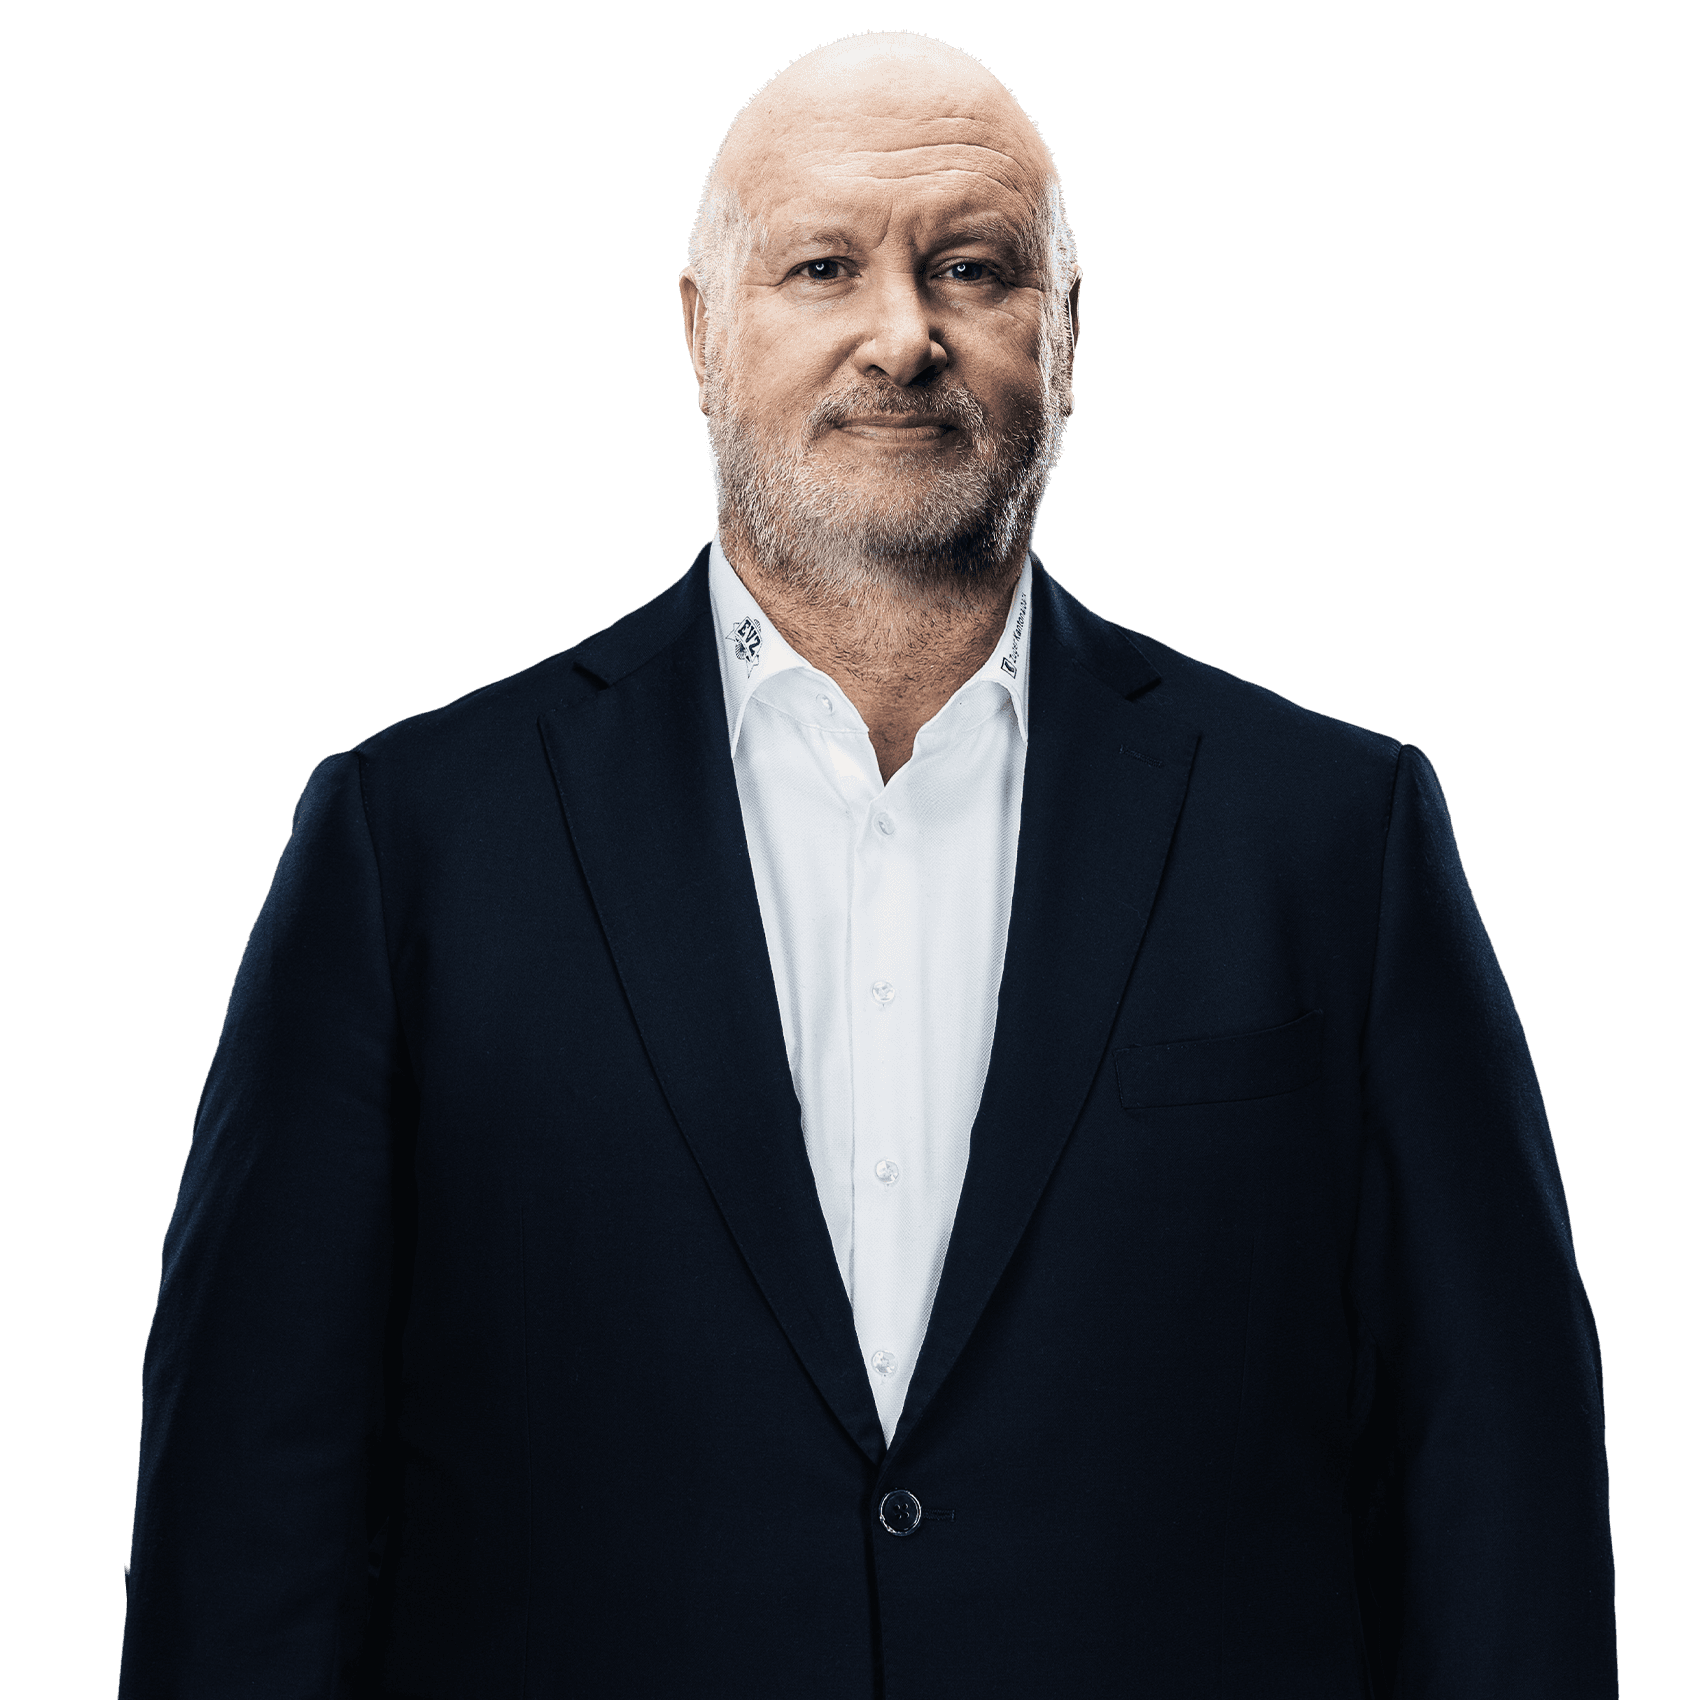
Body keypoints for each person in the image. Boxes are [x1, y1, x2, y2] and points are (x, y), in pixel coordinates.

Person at [118, 31, 1616, 1699]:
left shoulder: (1338, 836)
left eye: (971, 269)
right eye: (823, 266)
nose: (903, 337)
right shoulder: (411, 844)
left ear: (1064, 334)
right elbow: (249, 1514)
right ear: (703, 328)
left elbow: (1499, 1481)